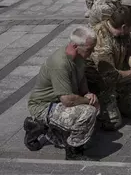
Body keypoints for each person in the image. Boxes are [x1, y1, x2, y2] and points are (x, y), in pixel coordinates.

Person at [24, 26, 99, 160]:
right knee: (88, 113)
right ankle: (73, 152)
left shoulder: (80, 56)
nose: (92, 52)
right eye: (89, 49)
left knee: (91, 112)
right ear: (76, 46)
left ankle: (43, 127)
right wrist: (90, 101)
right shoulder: (60, 64)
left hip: (59, 101)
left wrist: (87, 93)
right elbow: (67, 100)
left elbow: (81, 78)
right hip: (43, 106)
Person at [86, 5, 131, 131]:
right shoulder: (101, 39)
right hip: (100, 83)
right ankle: (99, 114)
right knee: (114, 124)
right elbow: (109, 76)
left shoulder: (123, 32)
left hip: (116, 73)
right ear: (124, 27)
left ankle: (123, 105)